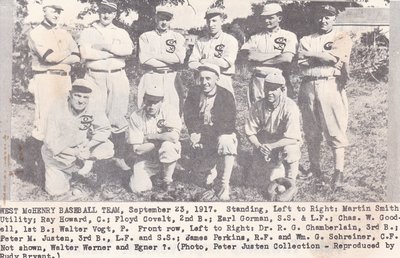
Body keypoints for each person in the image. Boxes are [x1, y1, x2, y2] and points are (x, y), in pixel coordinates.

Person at [297, 5, 353, 190]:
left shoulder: (341, 36)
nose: (324, 20)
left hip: (330, 83)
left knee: (334, 129)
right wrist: (324, 56)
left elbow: (334, 59)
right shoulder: (306, 39)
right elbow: (302, 62)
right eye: (320, 16)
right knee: (311, 130)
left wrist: (314, 55)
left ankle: (338, 173)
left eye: (328, 16)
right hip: (308, 84)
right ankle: (315, 169)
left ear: (334, 18)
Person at [79, 0, 133, 171]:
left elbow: (127, 51)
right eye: (103, 10)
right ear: (98, 11)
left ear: (115, 14)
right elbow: (85, 53)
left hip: (117, 76)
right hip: (95, 77)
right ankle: (92, 158)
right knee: (95, 116)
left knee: (117, 116)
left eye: (110, 12)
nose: (106, 15)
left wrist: (103, 47)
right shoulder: (88, 31)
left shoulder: (121, 32)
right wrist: (110, 53)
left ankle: (118, 157)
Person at [41, 79, 114, 199]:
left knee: (107, 147)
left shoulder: (93, 106)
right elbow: (50, 142)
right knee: (55, 191)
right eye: (77, 96)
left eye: (85, 97)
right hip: (60, 155)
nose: (81, 101)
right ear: (70, 94)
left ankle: (95, 176)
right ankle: (70, 175)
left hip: (82, 147)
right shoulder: (57, 108)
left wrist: (88, 146)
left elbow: (104, 129)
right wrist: (75, 153)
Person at [28, 0, 80, 141]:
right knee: (44, 119)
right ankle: (38, 160)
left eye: (59, 11)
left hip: (64, 78)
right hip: (46, 78)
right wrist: (67, 54)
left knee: (63, 116)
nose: (56, 14)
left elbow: (77, 56)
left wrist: (61, 57)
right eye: (53, 10)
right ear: (44, 10)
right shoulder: (36, 32)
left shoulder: (64, 32)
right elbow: (49, 57)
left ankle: (57, 158)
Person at [183, 63, 237, 201]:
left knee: (226, 141)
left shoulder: (226, 95)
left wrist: (203, 135)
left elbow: (227, 125)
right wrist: (194, 133)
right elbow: (189, 115)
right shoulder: (194, 92)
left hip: (219, 135)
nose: (204, 82)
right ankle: (211, 168)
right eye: (201, 79)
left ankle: (225, 184)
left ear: (217, 79)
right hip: (202, 136)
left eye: (208, 79)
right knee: (202, 179)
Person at [245, 72, 301, 191]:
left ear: (282, 89)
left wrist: (272, 146)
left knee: (291, 150)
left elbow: (293, 137)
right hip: (265, 142)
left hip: (285, 141)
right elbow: (250, 132)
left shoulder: (290, 106)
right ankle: (276, 169)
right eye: (267, 88)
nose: (269, 93)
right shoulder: (257, 105)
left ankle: (291, 180)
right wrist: (259, 146)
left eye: (274, 89)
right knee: (262, 181)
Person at [127, 84, 182, 193]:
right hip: (146, 157)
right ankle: (155, 176)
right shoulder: (136, 116)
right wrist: (163, 139)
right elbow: (138, 149)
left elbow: (174, 137)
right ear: (143, 100)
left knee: (168, 146)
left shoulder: (169, 111)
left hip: (163, 151)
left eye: (155, 102)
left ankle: (167, 181)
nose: (151, 106)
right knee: (137, 188)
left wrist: (154, 137)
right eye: (148, 101)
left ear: (162, 101)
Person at [240, 3, 297, 105]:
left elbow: (287, 58)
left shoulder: (289, 36)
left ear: (279, 18)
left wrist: (260, 58)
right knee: (257, 115)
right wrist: (277, 54)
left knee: (278, 115)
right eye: (264, 18)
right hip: (258, 81)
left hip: (278, 80)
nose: (266, 21)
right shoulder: (255, 37)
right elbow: (248, 56)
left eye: (270, 18)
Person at [137, 5, 186, 113]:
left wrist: (154, 55)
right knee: (149, 110)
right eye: (161, 18)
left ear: (170, 20)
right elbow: (144, 59)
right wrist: (169, 61)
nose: (164, 22)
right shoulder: (146, 36)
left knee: (172, 109)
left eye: (167, 19)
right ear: (155, 18)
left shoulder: (177, 37)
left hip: (171, 77)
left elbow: (179, 59)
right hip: (152, 75)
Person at [188, 6, 238, 95]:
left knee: (224, 107)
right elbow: (191, 63)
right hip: (204, 82)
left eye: (214, 21)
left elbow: (226, 63)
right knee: (203, 107)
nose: (211, 24)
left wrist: (205, 61)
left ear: (222, 21)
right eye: (208, 21)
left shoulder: (230, 40)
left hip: (222, 79)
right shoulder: (200, 41)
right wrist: (212, 63)